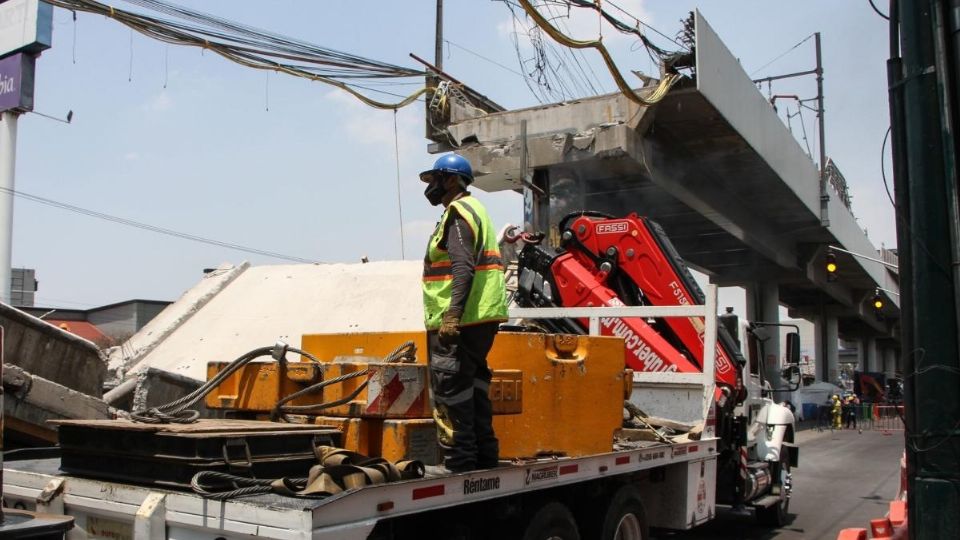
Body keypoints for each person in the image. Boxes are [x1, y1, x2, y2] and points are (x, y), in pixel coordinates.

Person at [419, 153, 509, 474]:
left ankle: (458, 463)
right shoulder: (477, 210)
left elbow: (462, 266)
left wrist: (452, 314)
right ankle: (484, 458)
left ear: (453, 180)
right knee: (474, 386)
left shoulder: (458, 213)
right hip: (481, 319)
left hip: (463, 319)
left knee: (450, 387)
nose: (431, 187)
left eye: (436, 180)